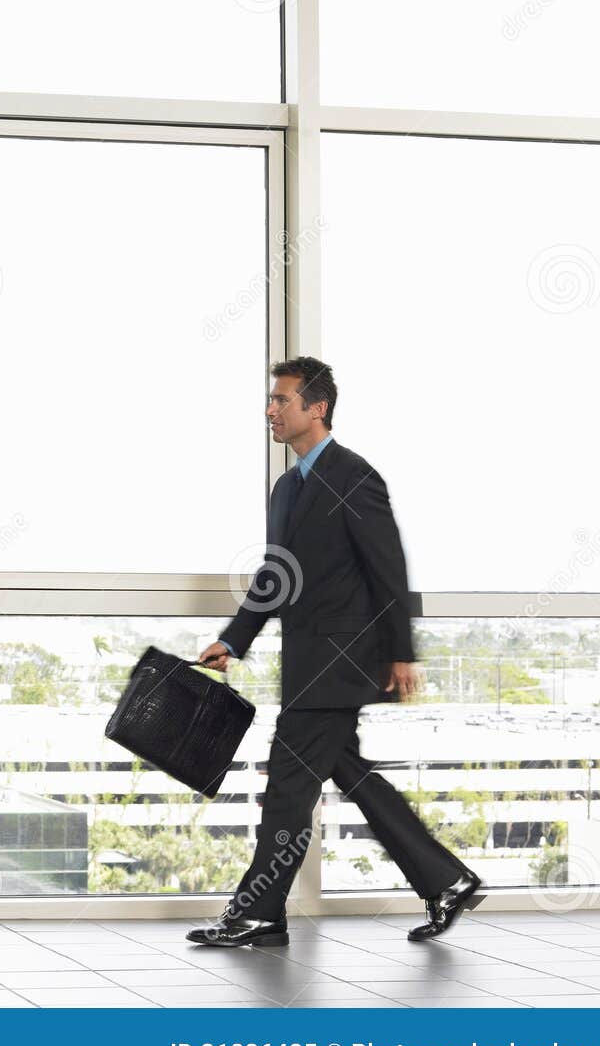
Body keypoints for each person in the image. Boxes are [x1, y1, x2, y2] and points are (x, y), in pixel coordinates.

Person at [187, 356, 483, 948]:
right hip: (309, 662)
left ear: (315, 407)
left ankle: (259, 912)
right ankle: (447, 880)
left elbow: (387, 568)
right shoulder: (286, 487)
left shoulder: (354, 476)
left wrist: (402, 653)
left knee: (289, 787)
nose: (271, 409)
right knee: (354, 776)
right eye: (271, 400)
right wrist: (234, 639)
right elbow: (278, 573)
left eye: (282, 399)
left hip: (341, 662)